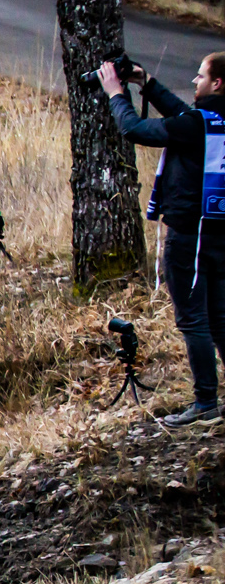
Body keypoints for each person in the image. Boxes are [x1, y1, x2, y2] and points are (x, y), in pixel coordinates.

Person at [100, 51, 225, 426]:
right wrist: (147, 83)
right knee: (219, 319)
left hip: (189, 236)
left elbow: (135, 130)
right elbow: (186, 115)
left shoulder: (196, 125)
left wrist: (116, 93)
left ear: (218, 83)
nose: (195, 81)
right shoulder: (214, 122)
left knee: (194, 320)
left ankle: (206, 402)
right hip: (218, 232)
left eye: (201, 76)